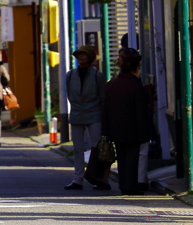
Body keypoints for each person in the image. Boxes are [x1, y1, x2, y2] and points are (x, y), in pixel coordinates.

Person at [103, 48, 152, 195]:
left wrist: (106, 130)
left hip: (116, 128)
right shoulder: (135, 86)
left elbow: (105, 109)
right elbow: (140, 111)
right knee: (132, 158)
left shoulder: (112, 84)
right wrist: (145, 132)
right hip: (133, 129)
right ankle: (130, 187)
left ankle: (124, 185)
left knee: (122, 158)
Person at [64, 45, 109, 191]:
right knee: (77, 148)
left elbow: (102, 97)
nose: (80, 57)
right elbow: (69, 95)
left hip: (94, 113)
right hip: (77, 113)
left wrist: (102, 115)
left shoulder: (97, 75)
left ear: (90, 58)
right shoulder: (70, 75)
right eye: (79, 55)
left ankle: (98, 178)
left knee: (96, 148)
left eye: (84, 54)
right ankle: (78, 179)